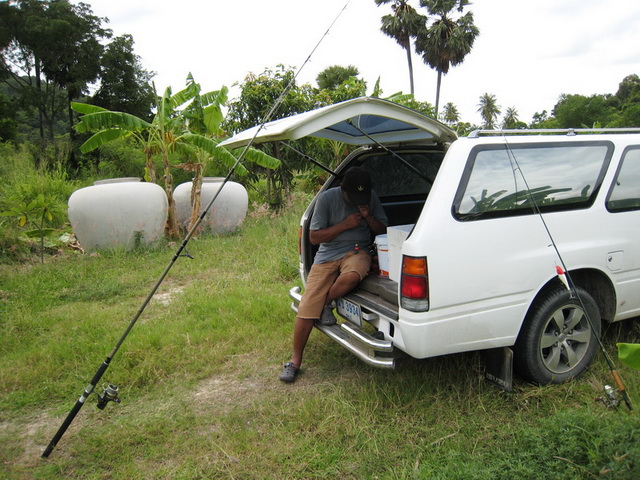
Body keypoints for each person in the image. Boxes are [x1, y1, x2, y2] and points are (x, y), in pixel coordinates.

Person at [279, 167, 388, 383]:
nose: (358, 200)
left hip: (358, 251)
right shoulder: (327, 199)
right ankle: (294, 362)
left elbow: (383, 230)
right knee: (307, 306)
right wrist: (345, 225)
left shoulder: (370, 197)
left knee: (353, 275)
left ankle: (326, 303)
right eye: (353, 197)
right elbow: (314, 238)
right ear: (342, 189)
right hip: (328, 254)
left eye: (362, 197)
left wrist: (368, 217)